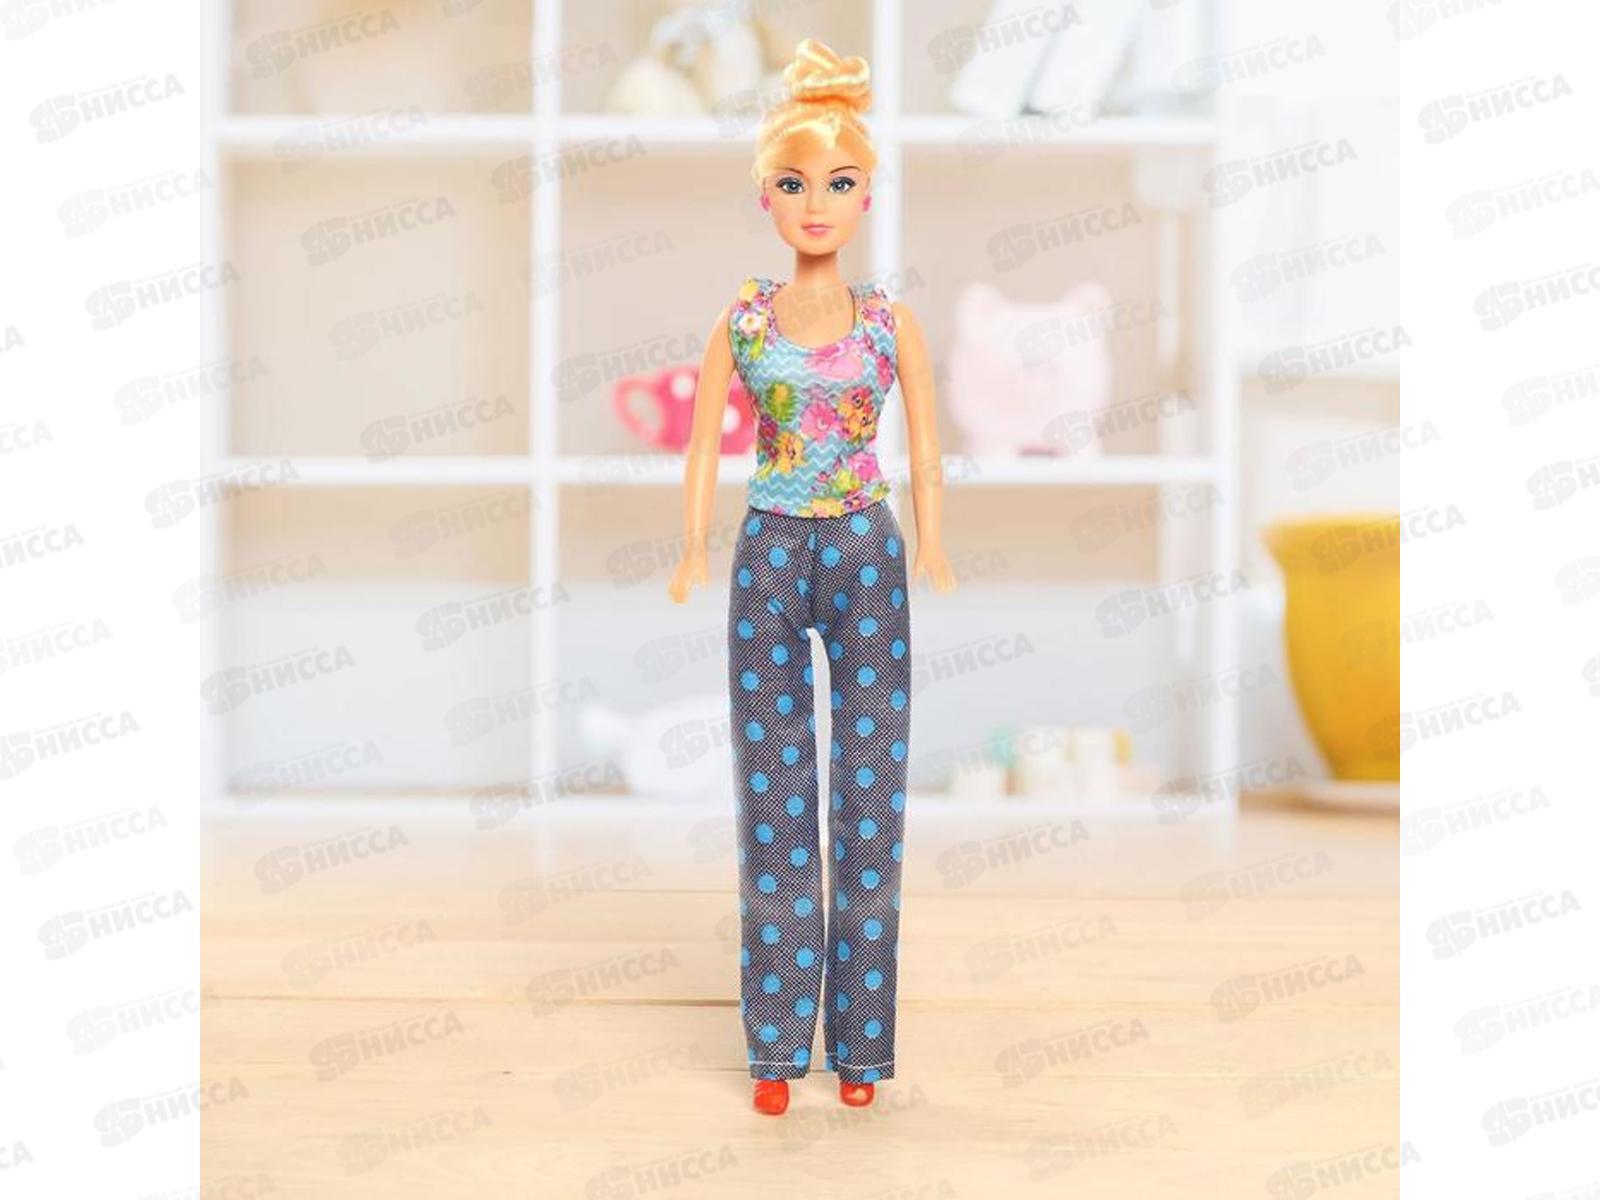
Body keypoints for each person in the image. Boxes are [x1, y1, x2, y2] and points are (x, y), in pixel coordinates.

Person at [668, 37, 957, 1116]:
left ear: (867, 195)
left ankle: (864, 1050)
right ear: (765, 197)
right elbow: (703, 444)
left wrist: (930, 536)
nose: (816, 204)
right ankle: (778, 1046)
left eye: (838, 184)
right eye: (794, 184)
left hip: (867, 549)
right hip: (769, 552)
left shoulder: (889, 322)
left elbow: (925, 447)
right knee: (774, 797)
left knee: (871, 796)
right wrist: (694, 543)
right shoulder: (742, 319)